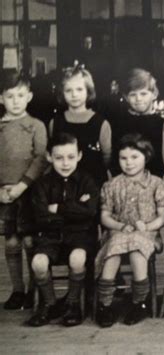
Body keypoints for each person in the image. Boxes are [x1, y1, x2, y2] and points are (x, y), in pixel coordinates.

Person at [95, 134, 164, 327]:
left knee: (137, 252)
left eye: (134, 157)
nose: (128, 163)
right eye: (123, 158)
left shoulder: (157, 184)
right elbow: (105, 217)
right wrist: (119, 226)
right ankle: (105, 304)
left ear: (146, 157)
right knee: (112, 253)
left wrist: (149, 226)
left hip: (147, 233)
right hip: (118, 231)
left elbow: (162, 216)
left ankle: (139, 303)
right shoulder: (112, 185)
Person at [27, 133, 99, 327]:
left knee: (77, 258)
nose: (65, 163)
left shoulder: (87, 181)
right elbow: (41, 216)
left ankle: (73, 303)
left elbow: (90, 212)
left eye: (71, 157)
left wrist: (57, 207)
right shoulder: (41, 184)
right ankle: (50, 304)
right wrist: (75, 208)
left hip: (80, 237)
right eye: (59, 158)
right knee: (38, 263)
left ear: (80, 155)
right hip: (50, 238)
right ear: (49, 157)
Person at [0, 70, 48, 310]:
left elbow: (40, 159)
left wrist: (21, 186)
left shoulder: (35, 126)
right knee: (11, 242)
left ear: (29, 96)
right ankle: (17, 290)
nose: (16, 101)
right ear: (1, 99)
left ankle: (33, 289)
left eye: (20, 95)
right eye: (10, 96)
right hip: (4, 193)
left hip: (28, 191)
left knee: (30, 240)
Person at [49, 65, 112, 185]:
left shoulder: (101, 123)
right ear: (62, 93)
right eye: (68, 90)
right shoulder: (55, 122)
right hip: (62, 183)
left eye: (79, 89)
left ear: (88, 91)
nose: (74, 95)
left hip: (93, 182)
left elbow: (106, 158)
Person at [111, 68, 164, 177]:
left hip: (155, 178)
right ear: (126, 97)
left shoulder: (162, 124)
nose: (138, 99)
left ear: (154, 94)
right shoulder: (120, 123)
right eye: (133, 95)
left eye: (143, 94)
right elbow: (115, 156)